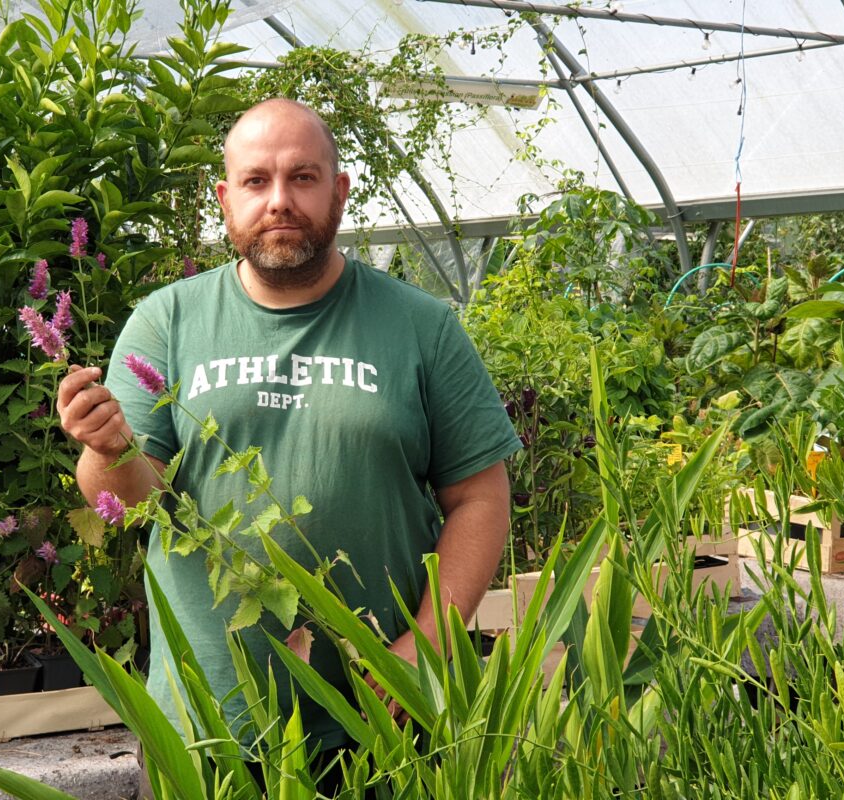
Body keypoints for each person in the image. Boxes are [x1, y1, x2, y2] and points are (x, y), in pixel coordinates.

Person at [56, 97, 519, 782]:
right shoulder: (168, 323)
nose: (279, 200)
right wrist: (107, 449)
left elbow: (481, 496)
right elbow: (129, 499)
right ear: (224, 198)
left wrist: (422, 652)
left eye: (302, 178)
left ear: (339, 190)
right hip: (209, 726)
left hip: (381, 718)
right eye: (256, 181)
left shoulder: (420, 327)